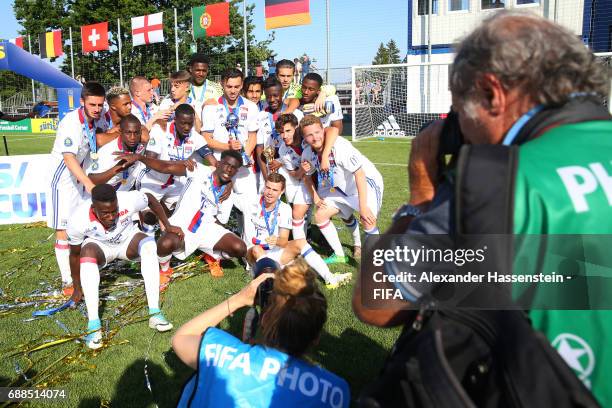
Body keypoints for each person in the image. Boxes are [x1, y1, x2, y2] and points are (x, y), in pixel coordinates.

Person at [353, 11, 611, 406]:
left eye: (458, 111)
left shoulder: (498, 183)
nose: (460, 130)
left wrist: (422, 191)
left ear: (492, 93)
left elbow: (376, 303)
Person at [172, 258, 350, 407]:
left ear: (264, 320)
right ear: (316, 338)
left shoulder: (221, 356)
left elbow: (182, 338)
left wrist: (238, 299)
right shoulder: (337, 392)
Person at [67, 184, 183, 349]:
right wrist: (77, 288)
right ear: (94, 208)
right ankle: (94, 326)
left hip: (128, 241)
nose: (111, 216)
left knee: (149, 244)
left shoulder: (128, 199)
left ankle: (155, 313)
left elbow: (149, 198)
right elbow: (74, 255)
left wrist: (168, 225)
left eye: (114, 211)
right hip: (101, 247)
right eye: (105, 213)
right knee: (86, 253)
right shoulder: (78, 218)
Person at [131, 150, 247, 278]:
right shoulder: (199, 170)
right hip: (182, 224)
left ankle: (212, 255)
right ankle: (165, 271)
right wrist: (139, 157)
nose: (229, 169)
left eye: (234, 168)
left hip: (206, 229)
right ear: (218, 163)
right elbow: (165, 167)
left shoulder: (228, 194)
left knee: (240, 248)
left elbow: (221, 221)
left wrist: (217, 240)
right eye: (227, 164)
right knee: (165, 244)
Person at [47, 81, 109, 298]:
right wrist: (90, 185)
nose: (97, 109)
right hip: (63, 180)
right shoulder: (71, 123)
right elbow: (69, 158)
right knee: (63, 229)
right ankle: (67, 280)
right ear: (82, 101)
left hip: (80, 179)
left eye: (100, 105)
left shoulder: (97, 117)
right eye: (93, 104)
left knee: (80, 225)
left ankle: (83, 267)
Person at [244, 173, 352, 289]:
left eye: (275, 190)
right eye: (268, 188)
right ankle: (272, 278)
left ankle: (330, 278)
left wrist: (276, 241)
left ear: (282, 191)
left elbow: (284, 241)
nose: (270, 193)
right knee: (256, 249)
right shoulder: (251, 203)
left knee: (301, 242)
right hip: (253, 253)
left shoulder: (285, 209)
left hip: (275, 251)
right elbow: (251, 242)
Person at [301, 115, 384, 264]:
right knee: (320, 215)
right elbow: (307, 177)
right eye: (309, 135)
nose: (315, 138)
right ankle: (340, 255)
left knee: (367, 219)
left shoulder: (340, 146)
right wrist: (317, 199)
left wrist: (363, 207)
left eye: (317, 132)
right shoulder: (307, 154)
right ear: (304, 138)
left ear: (323, 130)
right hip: (339, 190)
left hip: (366, 183)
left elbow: (359, 174)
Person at [137, 104, 214, 223]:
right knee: (149, 219)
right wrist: (179, 163)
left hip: (175, 183)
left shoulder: (194, 136)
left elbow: (213, 161)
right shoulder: (160, 130)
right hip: (153, 181)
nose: (187, 127)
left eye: (190, 123)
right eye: (183, 123)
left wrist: (228, 182)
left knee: (184, 215)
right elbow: (150, 161)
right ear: (175, 120)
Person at [201, 68, 260, 202]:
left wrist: (243, 156)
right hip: (220, 166)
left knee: (250, 209)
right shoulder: (212, 106)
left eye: (237, 87)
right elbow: (205, 138)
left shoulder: (251, 107)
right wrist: (227, 147)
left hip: (243, 168)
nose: (233, 91)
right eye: (229, 86)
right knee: (219, 209)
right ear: (222, 84)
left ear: (242, 85)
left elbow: (252, 136)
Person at [275, 113, 311, 240]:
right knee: (297, 212)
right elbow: (295, 174)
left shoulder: (308, 138)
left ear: (296, 127)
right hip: (306, 179)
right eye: (281, 132)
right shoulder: (283, 150)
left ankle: (357, 243)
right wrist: (301, 170)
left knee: (344, 214)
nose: (284, 136)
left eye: (288, 130)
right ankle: (300, 247)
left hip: (325, 176)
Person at [87, 114, 147, 191]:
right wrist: (118, 167)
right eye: (128, 133)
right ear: (120, 132)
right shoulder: (108, 151)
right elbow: (91, 179)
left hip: (128, 190)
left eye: (136, 133)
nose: (133, 137)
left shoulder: (140, 145)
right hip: (107, 193)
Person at [187, 53, 223, 120]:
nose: (201, 74)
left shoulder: (216, 88)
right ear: (191, 69)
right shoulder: (183, 87)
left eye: (204, 71)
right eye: (197, 70)